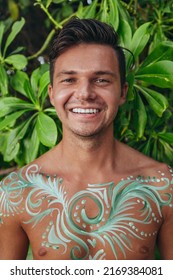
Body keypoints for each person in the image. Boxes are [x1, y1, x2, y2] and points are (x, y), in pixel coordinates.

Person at [0, 17, 173, 261]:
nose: (84, 93)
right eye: (69, 79)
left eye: (101, 80)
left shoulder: (162, 186)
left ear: (122, 92)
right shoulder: (17, 192)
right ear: (51, 93)